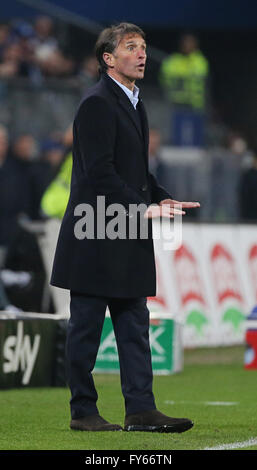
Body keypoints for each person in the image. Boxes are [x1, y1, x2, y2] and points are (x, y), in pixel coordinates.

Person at [50, 22, 200, 432]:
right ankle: (82, 411)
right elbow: (99, 174)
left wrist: (160, 197)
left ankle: (140, 409)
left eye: (144, 47)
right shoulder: (96, 103)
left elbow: (135, 172)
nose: (142, 54)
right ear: (108, 59)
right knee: (86, 327)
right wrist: (142, 208)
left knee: (134, 324)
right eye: (131, 47)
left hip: (126, 225)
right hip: (95, 229)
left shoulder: (136, 102)